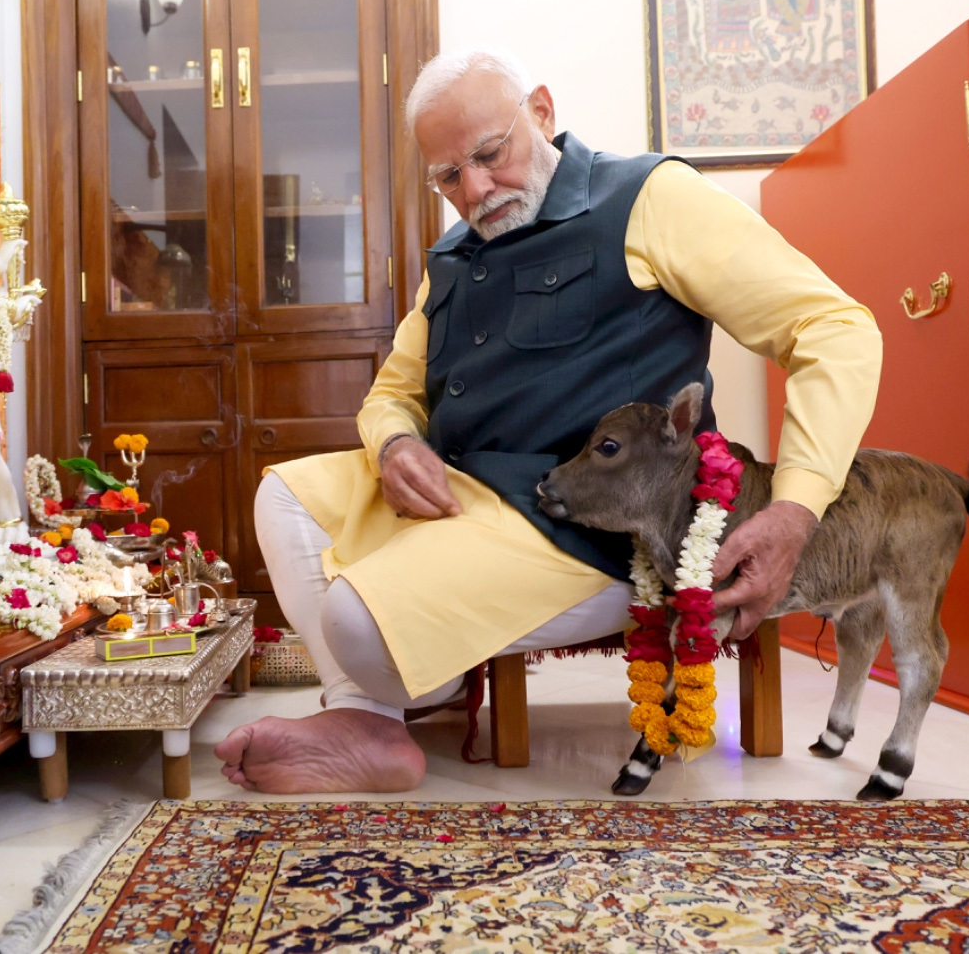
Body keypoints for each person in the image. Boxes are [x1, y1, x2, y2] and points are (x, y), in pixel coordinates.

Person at [214, 49, 882, 794]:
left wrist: (796, 509)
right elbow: (393, 392)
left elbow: (833, 329)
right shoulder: (452, 257)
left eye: (488, 155)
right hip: (467, 500)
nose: (474, 189)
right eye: (448, 176)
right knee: (283, 496)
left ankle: (397, 680)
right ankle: (365, 718)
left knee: (351, 622)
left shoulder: (649, 197)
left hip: (594, 527)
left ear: (541, 111)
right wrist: (397, 443)